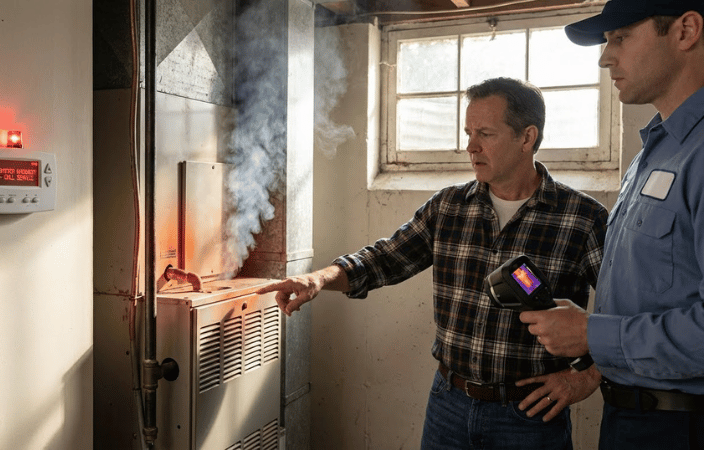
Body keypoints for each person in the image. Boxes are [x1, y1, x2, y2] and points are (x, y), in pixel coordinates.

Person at [257, 77, 608, 450]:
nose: (470, 146)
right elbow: (383, 259)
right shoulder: (448, 207)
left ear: (526, 138)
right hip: (449, 406)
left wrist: (585, 378)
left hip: (529, 417)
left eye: (485, 134)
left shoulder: (583, 218)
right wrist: (318, 279)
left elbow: (627, 315)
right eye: (468, 132)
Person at [519, 1, 704, 449]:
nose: (605, 57)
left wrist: (591, 333)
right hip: (631, 417)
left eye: (619, 37)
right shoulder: (655, 151)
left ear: (686, 30)